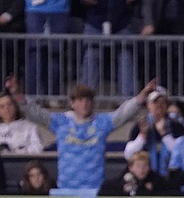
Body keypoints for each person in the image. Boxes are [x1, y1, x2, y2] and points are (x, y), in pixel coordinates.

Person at [7, 75, 156, 190]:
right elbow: (36, 113)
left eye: (87, 100)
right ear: (72, 103)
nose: (84, 104)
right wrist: (17, 93)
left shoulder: (102, 123)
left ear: (92, 103)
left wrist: (143, 94)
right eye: (80, 100)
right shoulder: (61, 122)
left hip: (94, 190)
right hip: (66, 189)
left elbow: (124, 112)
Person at [79, 0, 140, 97]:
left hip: (121, 23)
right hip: (95, 23)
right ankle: (84, 98)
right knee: (91, 56)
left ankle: (128, 100)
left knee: (126, 57)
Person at [18, 0, 74, 96]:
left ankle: (54, 95)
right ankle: (33, 95)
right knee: (35, 52)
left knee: (56, 53)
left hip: (59, 10)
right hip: (35, 10)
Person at [124, 86, 184, 176]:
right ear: (148, 105)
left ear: (167, 105)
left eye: (162, 102)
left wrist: (165, 135)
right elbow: (128, 154)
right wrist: (142, 136)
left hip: (170, 176)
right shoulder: (141, 124)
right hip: (146, 176)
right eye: (155, 102)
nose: (159, 105)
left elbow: (183, 154)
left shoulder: (176, 126)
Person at [100, 150, 184, 196]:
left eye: (145, 166)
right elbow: (106, 186)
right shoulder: (121, 181)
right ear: (131, 168)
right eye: (138, 166)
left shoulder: (155, 179)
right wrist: (122, 188)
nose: (142, 169)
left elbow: (170, 184)